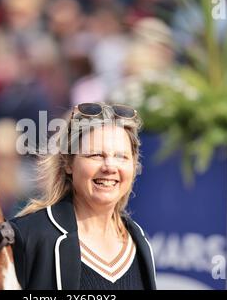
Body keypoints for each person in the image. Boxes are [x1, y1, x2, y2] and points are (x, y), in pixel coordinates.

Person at [10, 102, 156, 290]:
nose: (109, 167)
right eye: (95, 155)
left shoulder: (139, 242)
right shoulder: (27, 237)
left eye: (121, 156)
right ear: (68, 163)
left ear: (134, 165)